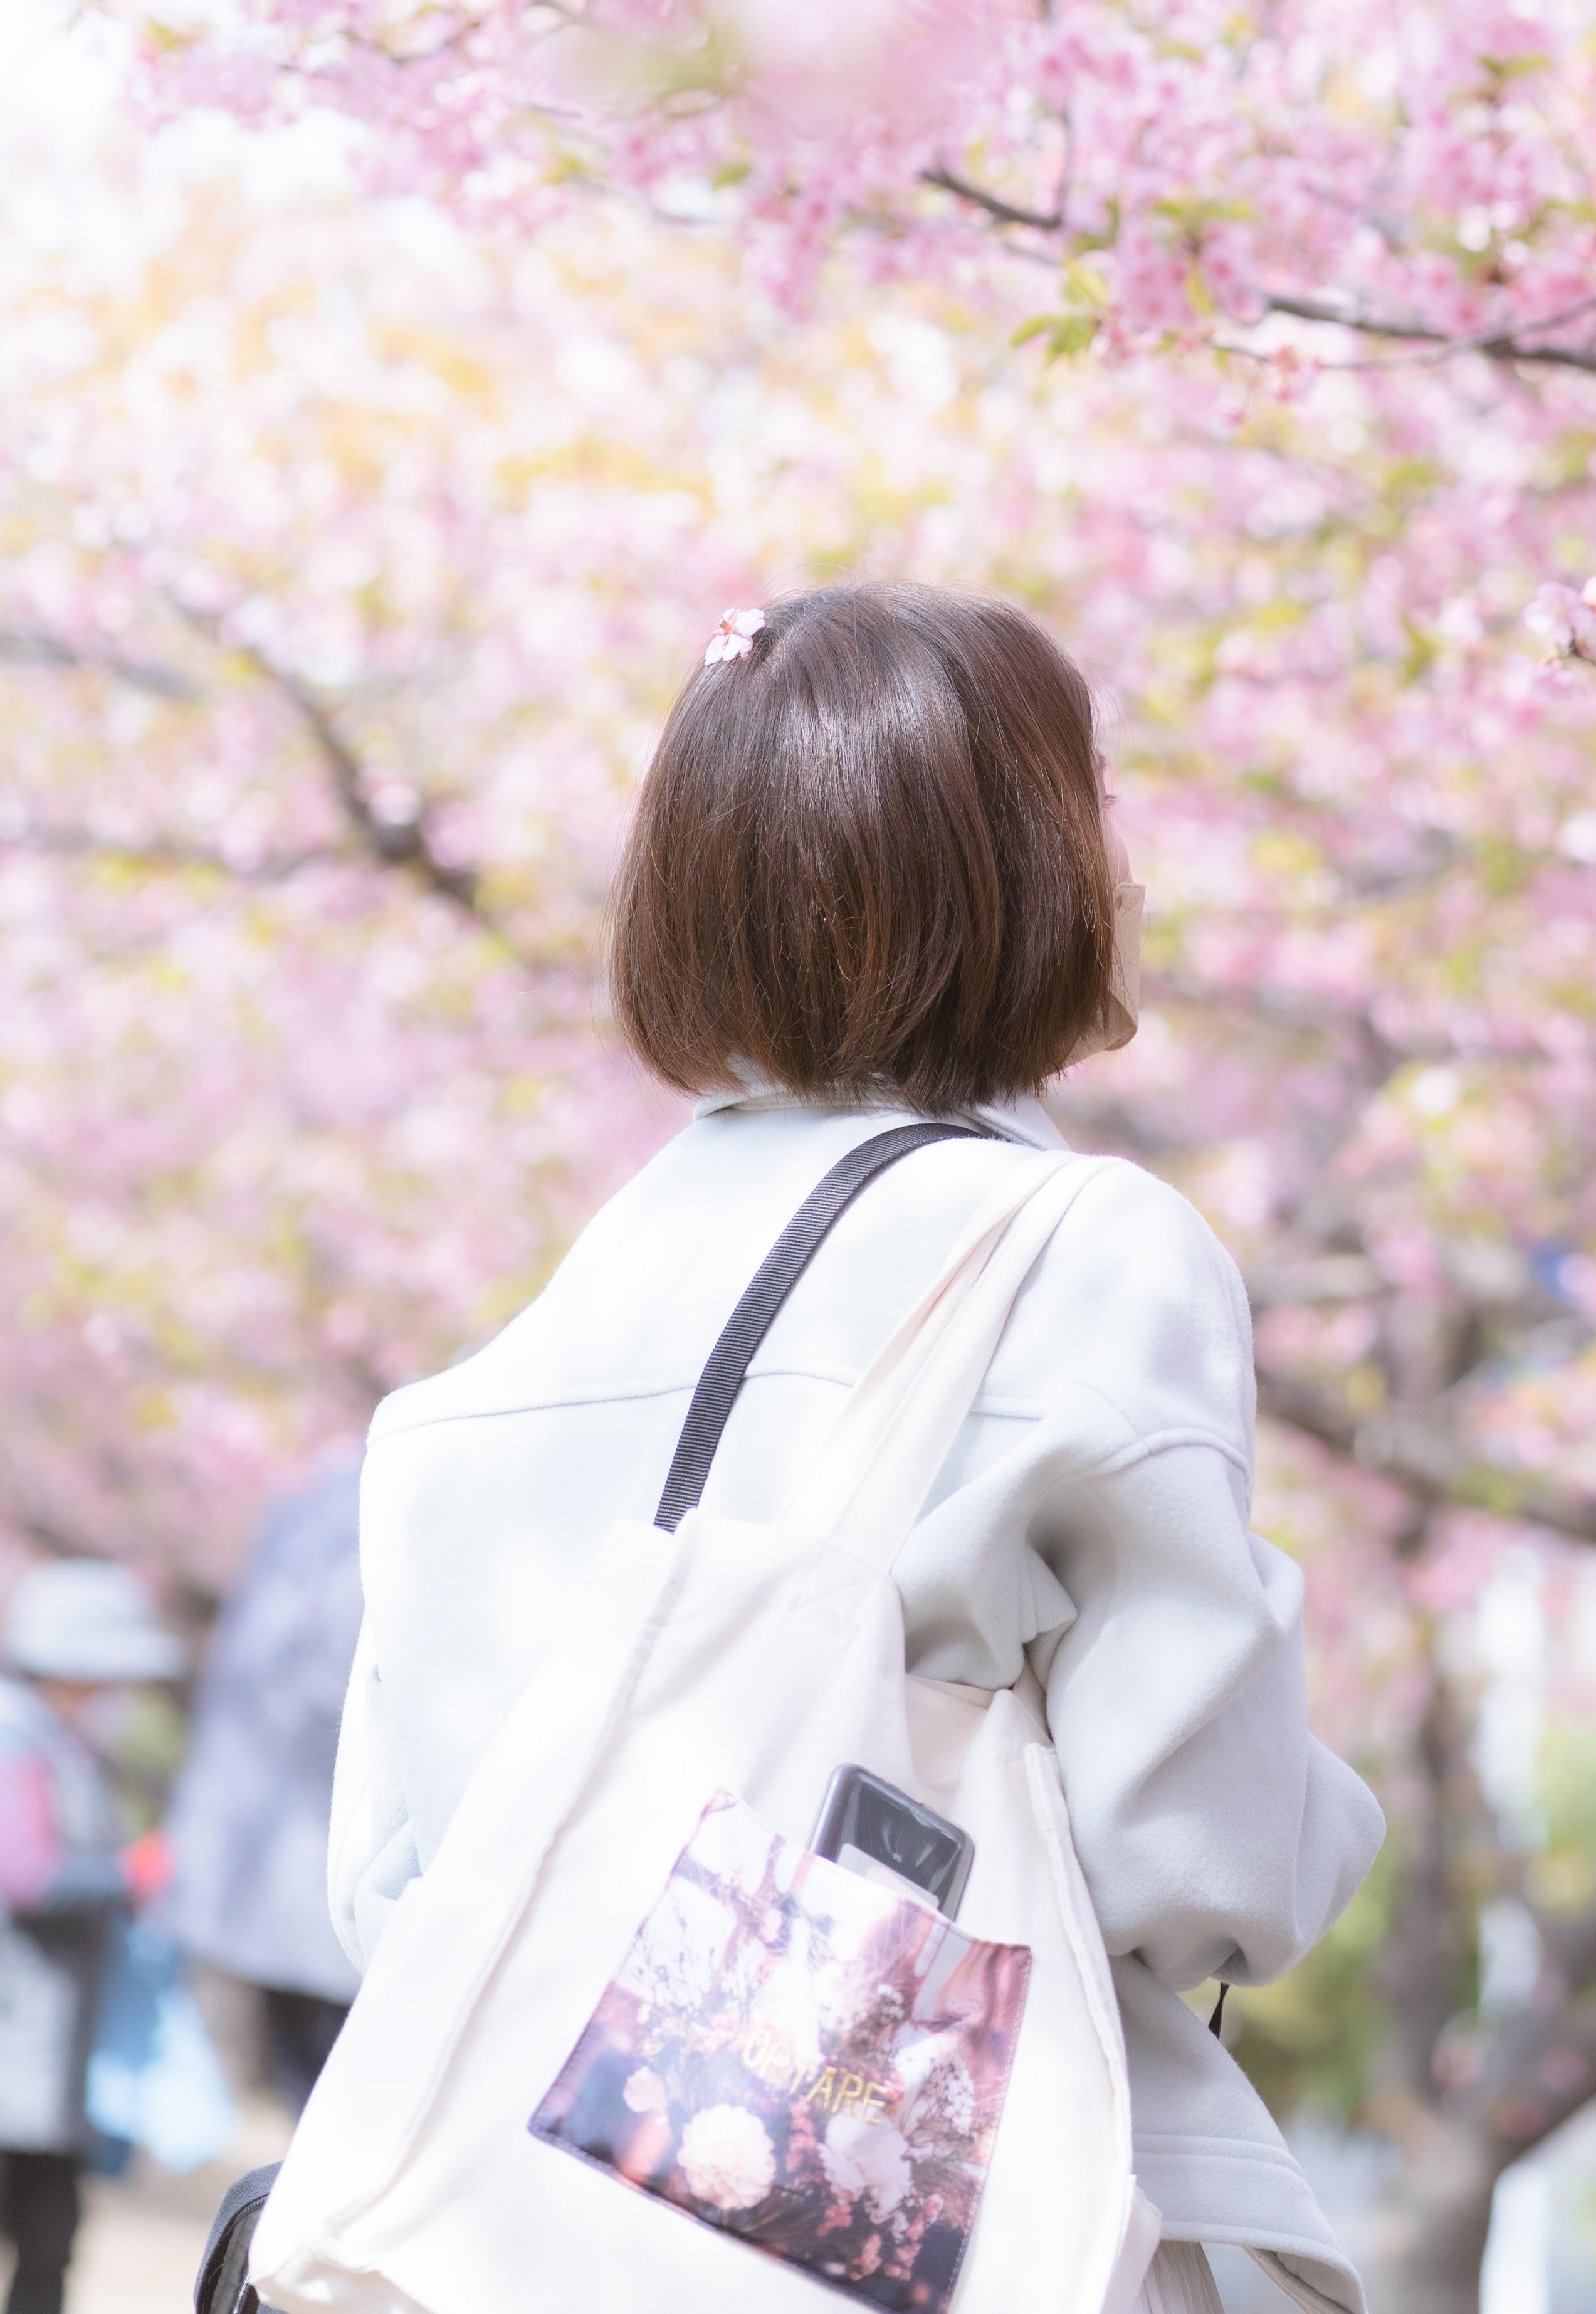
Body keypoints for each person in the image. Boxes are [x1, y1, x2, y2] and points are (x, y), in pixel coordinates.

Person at [329, 582, 1386, 2314]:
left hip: (517, 2236)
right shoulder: (1088, 1258)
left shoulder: (469, 1401)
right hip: (947, 2225)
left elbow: (392, 1892)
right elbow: (1193, 1864)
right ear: (1027, 872)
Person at [0, 1559, 182, 2314]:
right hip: (17, 2049)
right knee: (45, 2234)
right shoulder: (18, 1739)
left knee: (53, 2236)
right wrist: (129, 1873)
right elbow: (28, 1876)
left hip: (41, 2055)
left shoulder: (57, 1743)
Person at [164, 1459, 364, 2105]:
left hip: (271, 1868)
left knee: (309, 2092)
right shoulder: (368, 1520)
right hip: (327, 1871)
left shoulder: (310, 1507)